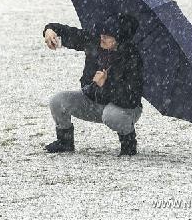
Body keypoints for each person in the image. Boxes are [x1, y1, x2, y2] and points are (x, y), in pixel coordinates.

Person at [42, 13, 143, 156]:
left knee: (111, 115)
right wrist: (50, 30)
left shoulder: (132, 57)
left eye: (108, 36)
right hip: (93, 101)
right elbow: (69, 33)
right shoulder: (94, 41)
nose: (102, 37)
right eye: (102, 33)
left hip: (123, 110)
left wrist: (106, 85)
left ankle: (128, 144)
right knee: (57, 101)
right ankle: (65, 142)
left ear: (119, 39)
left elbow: (131, 98)